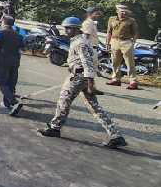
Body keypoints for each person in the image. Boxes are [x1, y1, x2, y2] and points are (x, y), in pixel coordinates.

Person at [38, 18, 126, 148]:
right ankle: (115, 135)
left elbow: (87, 63)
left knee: (64, 100)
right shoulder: (82, 41)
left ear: (75, 29)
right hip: (83, 77)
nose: (66, 30)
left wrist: (91, 84)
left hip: (78, 76)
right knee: (94, 107)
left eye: (68, 28)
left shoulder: (80, 43)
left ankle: (55, 127)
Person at [0, 15, 23, 116]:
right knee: (11, 82)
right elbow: (22, 48)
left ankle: (14, 102)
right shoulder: (18, 35)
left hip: (3, 60)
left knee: (1, 82)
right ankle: (6, 103)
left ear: (3, 22)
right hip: (15, 61)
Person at [106, 4, 140, 90]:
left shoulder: (131, 20)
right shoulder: (111, 19)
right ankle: (116, 79)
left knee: (129, 62)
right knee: (115, 62)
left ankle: (133, 81)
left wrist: (133, 42)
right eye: (121, 11)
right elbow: (109, 32)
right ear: (117, 11)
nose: (123, 13)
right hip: (114, 41)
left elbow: (135, 33)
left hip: (126, 42)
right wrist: (107, 43)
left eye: (125, 11)